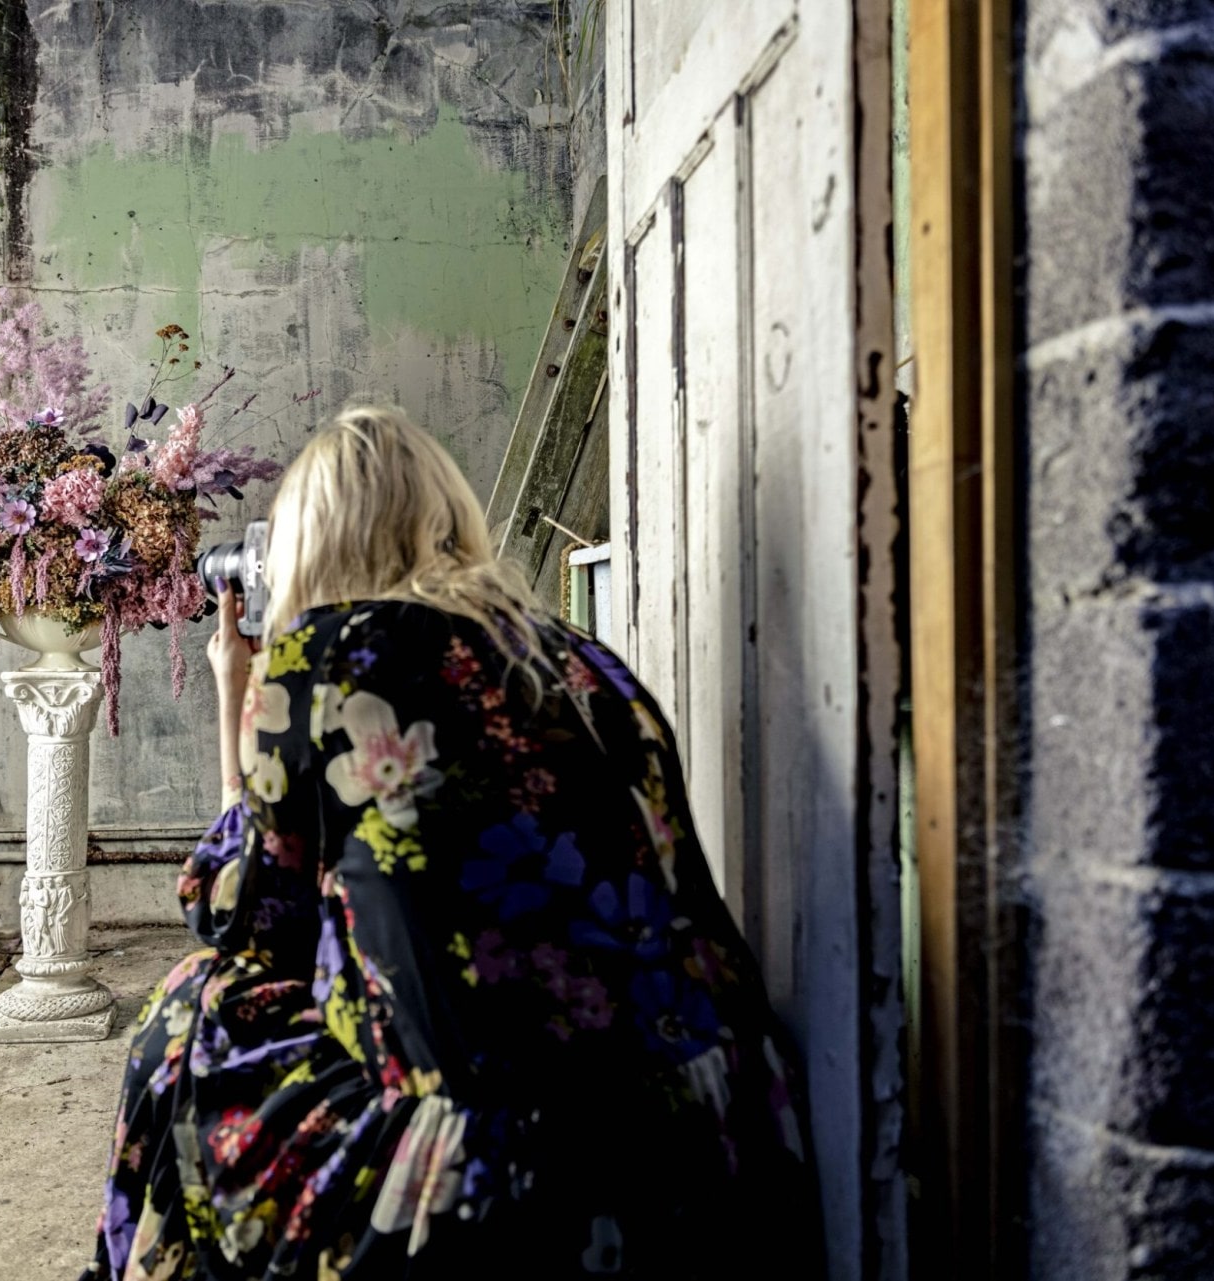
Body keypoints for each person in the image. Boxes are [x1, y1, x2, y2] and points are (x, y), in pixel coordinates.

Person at [80, 407, 820, 1280]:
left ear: (307, 549)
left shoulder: (326, 654)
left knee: (191, 1011)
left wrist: (240, 701)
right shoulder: (583, 660)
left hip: (517, 1179)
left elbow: (239, 921)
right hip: (729, 1133)